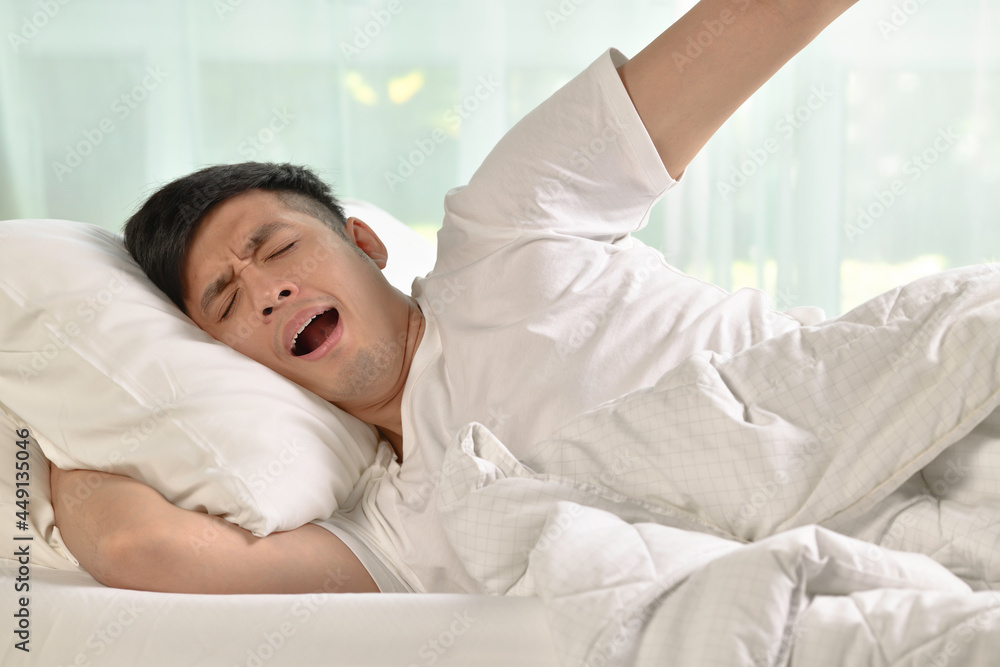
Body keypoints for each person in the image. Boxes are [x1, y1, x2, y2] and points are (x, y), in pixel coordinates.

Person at [49, 0, 861, 594]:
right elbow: (134, 546)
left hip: (871, 401)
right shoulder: (395, 523)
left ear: (363, 243)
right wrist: (56, 414)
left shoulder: (506, 231)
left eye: (280, 247)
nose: (268, 290)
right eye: (225, 301)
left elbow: (773, 13)